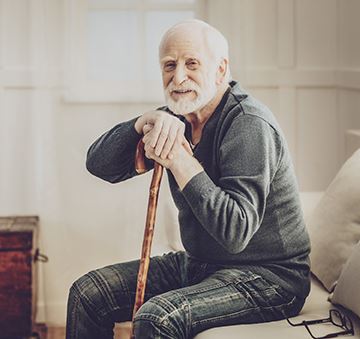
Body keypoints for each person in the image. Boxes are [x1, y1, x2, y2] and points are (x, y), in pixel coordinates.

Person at [66, 19, 310, 339]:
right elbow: (99, 164)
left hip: (269, 278)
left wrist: (181, 160)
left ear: (221, 70)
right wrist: (144, 122)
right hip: (200, 264)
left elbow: (234, 232)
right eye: (169, 65)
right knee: (87, 294)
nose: (178, 77)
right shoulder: (178, 113)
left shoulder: (249, 123)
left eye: (191, 63)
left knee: (158, 318)